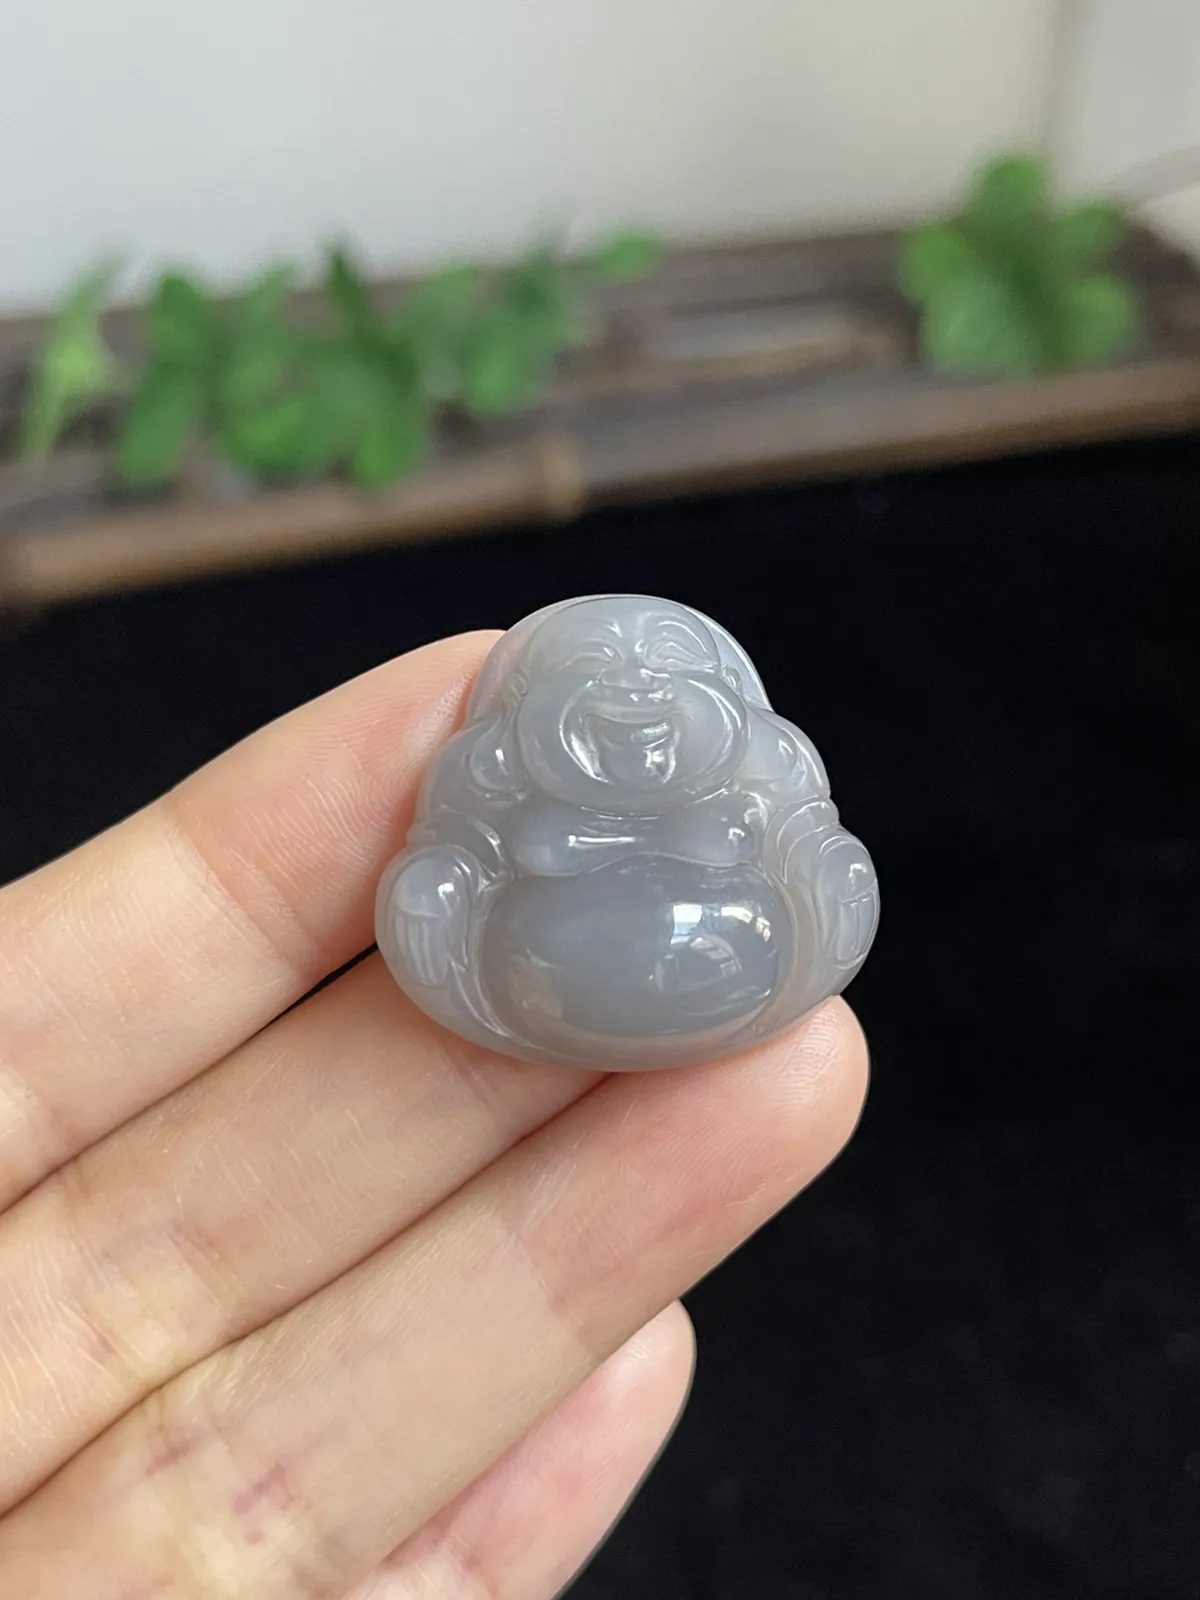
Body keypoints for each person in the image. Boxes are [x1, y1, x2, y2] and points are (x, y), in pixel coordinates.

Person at [0, 631, 868, 1600]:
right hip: (538, 959)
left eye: (660, 671)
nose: (634, 695)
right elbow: (460, 853)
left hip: (731, 950)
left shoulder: (758, 766)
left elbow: (797, 838)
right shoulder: (497, 764)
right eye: (604, 676)